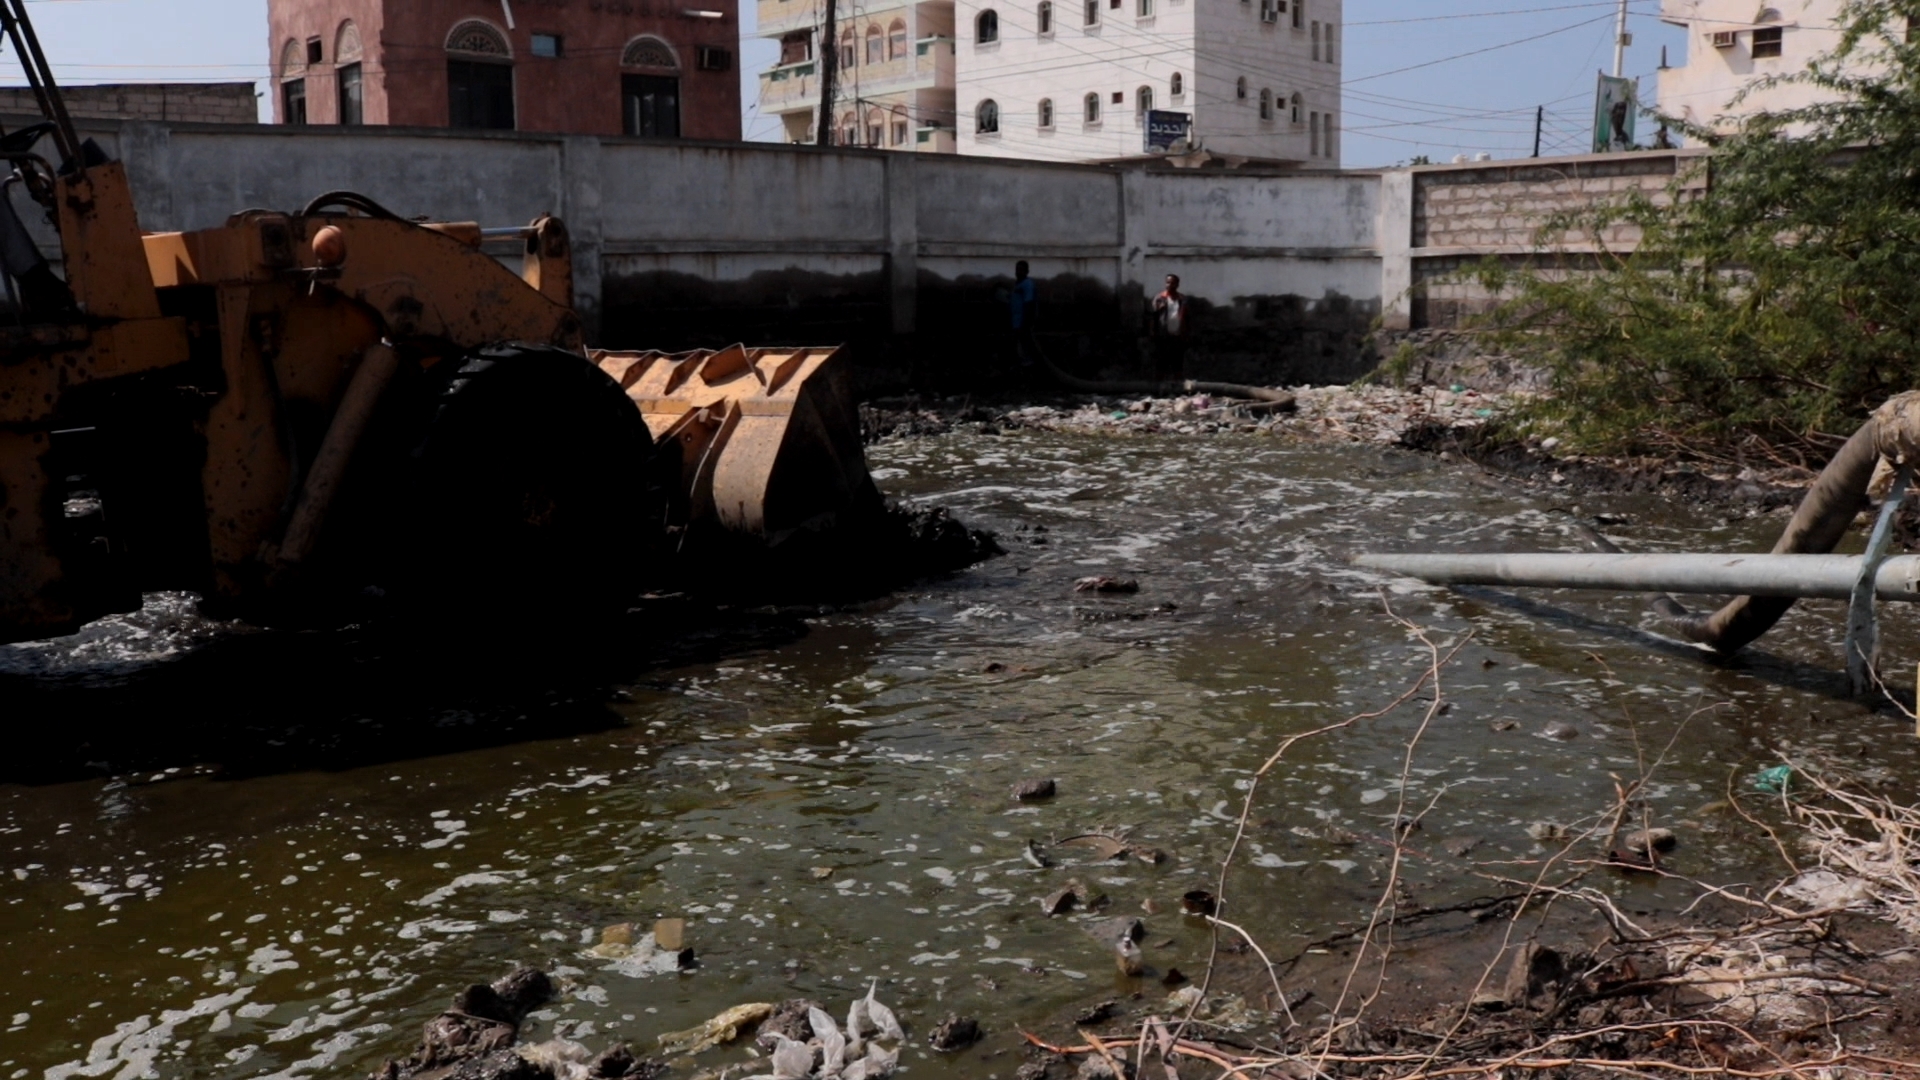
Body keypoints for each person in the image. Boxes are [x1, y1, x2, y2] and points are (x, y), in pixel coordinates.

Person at [1150, 273, 1190, 383]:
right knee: (1161, 361)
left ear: (1177, 285)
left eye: (1172, 283)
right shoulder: (1159, 298)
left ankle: (1177, 384)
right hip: (1163, 335)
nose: (1169, 285)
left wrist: (1185, 333)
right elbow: (1153, 316)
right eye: (1168, 283)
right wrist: (1153, 332)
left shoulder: (1182, 299)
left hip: (1178, 335)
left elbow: (1187, 317)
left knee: (1177, 361)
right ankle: (1159, 384)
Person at [1008, 260, 1039, 368]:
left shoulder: (1027, 284)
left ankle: (1028, 367)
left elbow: (1029, 304)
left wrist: (1025, 324)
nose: (1018, 272)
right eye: (1017, 269)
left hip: (1022, 323)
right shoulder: (1018, 285)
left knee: (1025, 348)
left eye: (1021, 270)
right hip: (1016, 322)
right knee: (1017, 347)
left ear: (1027, 271)